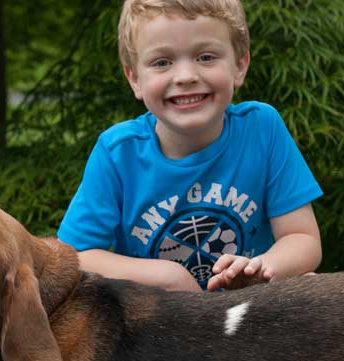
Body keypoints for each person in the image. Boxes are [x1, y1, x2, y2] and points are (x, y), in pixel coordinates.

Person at [57, 0, 323, 292]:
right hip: (160, 323)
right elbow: (74, 258)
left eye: (206, 57)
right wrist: (166, 277)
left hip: (249, 312)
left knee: (312, 289)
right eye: (162, 62)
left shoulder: (262, 129)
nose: (185, 76)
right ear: (134, 78)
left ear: (239, 66)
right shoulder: (118, 152)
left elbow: (302, 238)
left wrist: (265, 267)